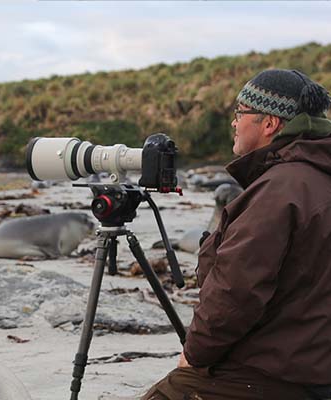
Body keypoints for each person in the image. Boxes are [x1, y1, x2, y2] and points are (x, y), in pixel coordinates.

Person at [141, 69, 331, 400]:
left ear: (269, 124)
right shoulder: (315, 177)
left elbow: (236, 292)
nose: (234, 122)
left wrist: (194, 355)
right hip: (313, 365)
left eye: (240, 113)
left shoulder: (280, 189)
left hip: (272, 373)